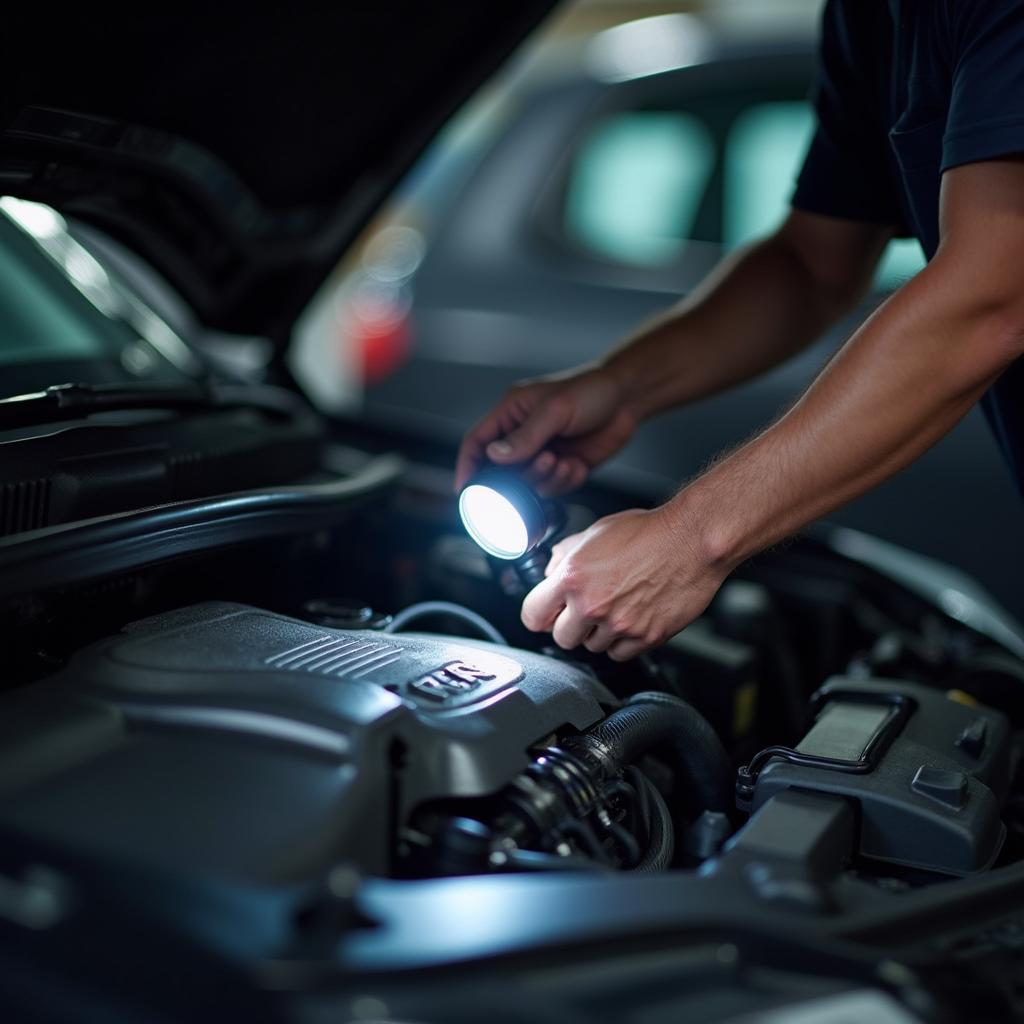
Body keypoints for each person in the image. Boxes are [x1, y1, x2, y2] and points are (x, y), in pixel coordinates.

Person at [455, 0, 1024, 663]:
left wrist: (690, 540)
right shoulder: (870, 18)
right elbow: (812, 263)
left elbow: (992, 296)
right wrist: (618, 386)